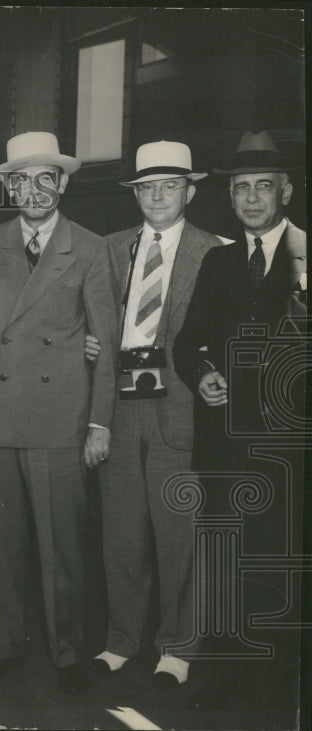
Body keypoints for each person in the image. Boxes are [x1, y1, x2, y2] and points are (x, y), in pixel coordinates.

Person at [0, 131, 118, 695]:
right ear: (8, 187)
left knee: (62, 547)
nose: (32, 190)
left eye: (44, 178)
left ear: (62, 184)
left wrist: (99, 423)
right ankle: (6, 645)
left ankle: (67, 652)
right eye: (20, 179)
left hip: (61, 415)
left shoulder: (91, 247)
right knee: (1, 544)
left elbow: (106, 343)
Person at [173, 130, 306, 712]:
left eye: (263, 187)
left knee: (278, 563)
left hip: (287, 449)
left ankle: (277, 686)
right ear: (230, 198)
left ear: (287, 191)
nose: (253, 198)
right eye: (242, 189)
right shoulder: (219, 259)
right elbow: (188, 343)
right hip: (224, 446)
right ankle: (224, 676)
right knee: (226, 560)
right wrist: (202, 373)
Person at [88, 142, 222, 689]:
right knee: (120, 532)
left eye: (170, 185)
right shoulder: (109, 248)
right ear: (135, 194)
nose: (158, 195)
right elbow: (89, 319)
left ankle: (178, 645)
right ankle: (122, 639)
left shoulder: (217, 250)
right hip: (119, 406)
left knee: (178, 533)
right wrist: (89, 345)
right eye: (147, 187)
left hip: (180, 407)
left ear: (190, 191)